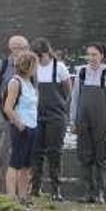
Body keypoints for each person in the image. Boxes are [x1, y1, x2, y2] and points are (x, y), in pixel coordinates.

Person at [70, 43, 106, 203]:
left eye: (94, 54)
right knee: (84, 155)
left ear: (102, 56)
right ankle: (88, 192)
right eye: (88, 54)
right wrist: (73, 120)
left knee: (101, 156)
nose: (91, 58)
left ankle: (100, 192)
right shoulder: (81, 72)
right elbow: (75, 98)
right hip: (83, 120)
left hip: (102, 120)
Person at [0, 35, 30, 196]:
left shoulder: (31, 65)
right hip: (4, 118)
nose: (20, 51)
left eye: (23, 47)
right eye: (16, 47)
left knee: (23, 157)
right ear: (10, 48)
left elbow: (35, 91)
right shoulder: (2, 65)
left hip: (24, 118)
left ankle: (21, 193)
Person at [30, 38, 71, 200]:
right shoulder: (33, 68)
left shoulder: (59, 67)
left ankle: (56, 189)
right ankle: (35, 187)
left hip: (56, 115)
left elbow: (68, 90)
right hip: (36, 114)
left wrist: (62, 107)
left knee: (55, 152)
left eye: (40, 56)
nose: (39, 60)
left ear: (48, 53)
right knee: (36, 151)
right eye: (35, 57)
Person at [4, 51, 39, 201]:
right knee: (15, 163)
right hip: (21, 127)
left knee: (26, 164)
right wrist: (20, 125)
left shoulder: (29, 82)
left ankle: (23, 196)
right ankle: (11, 196)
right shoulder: (15, 82)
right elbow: (8, 107)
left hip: (32, 126)